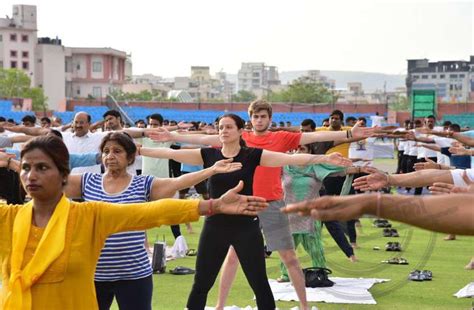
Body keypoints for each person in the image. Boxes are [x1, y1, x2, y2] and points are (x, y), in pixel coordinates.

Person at [0, 135, 267, 309]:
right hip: (98, 275)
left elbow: (153, 211)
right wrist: (13, 164)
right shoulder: (10, 218)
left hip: (132, 273)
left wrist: (213, 203)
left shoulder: (90, 213)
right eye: (26, 168)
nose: (109, 156)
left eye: (43, 168)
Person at [147, 101, 371, 309]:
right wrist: (155, 143)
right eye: (255, 116)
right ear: (249, 120)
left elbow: (300, 149)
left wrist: (341, 141)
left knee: (273, 269)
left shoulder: (266, 147)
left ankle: (303, 306)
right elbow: (185, 147)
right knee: (215, 271)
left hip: (261, 212)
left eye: (263, 116)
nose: (224, 131)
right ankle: (219, 305)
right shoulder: (219, 149)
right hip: (225, 217)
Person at [63, 131, 242, 310]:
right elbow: (50, 183)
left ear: (130, 157)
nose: (110, 156)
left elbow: (177, 182)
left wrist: (212, 170)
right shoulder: (87, 182)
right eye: (106, 151)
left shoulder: (143, 184)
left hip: (134, 275)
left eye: (117, 151)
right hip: (94, 275)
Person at [278, 143, 377, 282]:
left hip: (312, 213)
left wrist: (360, 168)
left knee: (315, 246)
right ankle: (286, 274)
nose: (299, 151)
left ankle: (320, 272)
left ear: (310, 153)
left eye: (303, 149)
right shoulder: (284, 167)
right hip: (289, 213)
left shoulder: (315, 167)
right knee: (288, 246)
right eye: (297, 148)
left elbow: (340, 171)